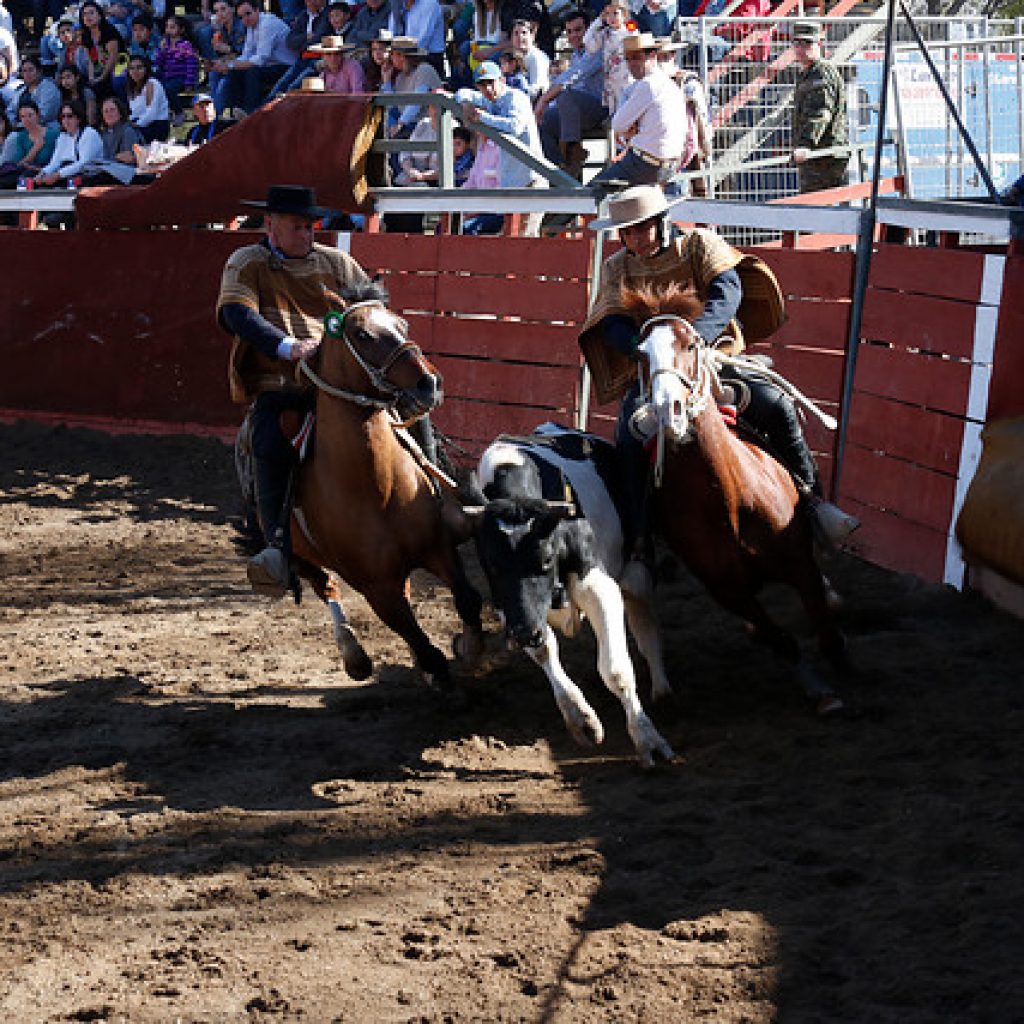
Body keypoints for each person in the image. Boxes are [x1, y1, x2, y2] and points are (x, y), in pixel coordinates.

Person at [578, 185, 859, 573]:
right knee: (628, 439)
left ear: (661, 223)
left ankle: (813, 506)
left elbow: (729, 290)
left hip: (715, 356)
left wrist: (698, 337)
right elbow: (611, 323)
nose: (635, 239)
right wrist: (644, 349)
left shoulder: (699, 244)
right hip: (658, 369)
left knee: (775, 405)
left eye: (642, 228)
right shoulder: (616, 268)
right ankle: (640, 541)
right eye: (627, 232)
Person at [215, 184, 374, 596]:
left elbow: (370, 306)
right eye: (298, 226)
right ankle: (279, 549)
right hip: (281, 381)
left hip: (339, 384)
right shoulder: (248, 263)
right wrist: (288, 347)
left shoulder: (337, 264)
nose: (307, 234)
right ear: (270, 224)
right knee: (269, 441)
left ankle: (437, 499)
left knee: (405, 410)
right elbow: (237, 313)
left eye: (310, 226)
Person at [455, 59, 546, 235]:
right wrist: (466, 102)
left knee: (525, 238)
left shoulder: (515, 97)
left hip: (530, 180)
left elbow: (515, 126)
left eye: (491, 82)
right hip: (512, 183)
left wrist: (482, 117)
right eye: (482, 84)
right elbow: (461, 93)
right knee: (513, 239)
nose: (488, 88)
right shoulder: (489, 100)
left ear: (502, 80)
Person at [590, 32, 686, 189]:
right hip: (667, 165)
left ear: (653, 56)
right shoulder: (669, 85)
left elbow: (618, 125)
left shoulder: (648, 84)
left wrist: (632, 129)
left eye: (637, 58)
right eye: (628, 58)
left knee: (589, 194)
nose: (631, 63)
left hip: (644, 164)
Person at [534, 8, 605, 180]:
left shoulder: (598, 50)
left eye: (579, 30)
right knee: (545, 120)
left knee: (565, 95)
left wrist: (544, 99)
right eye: (569, 31)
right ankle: (558, 170)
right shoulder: (576, 55)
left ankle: (573, 156)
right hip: (576, 111)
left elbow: (573, 76)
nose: (574, 35)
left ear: (589, 30)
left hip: (600, 108)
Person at [791, 21, 848, 194]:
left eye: (807, 43)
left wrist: (805, 144)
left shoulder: (822, 72)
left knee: (818, 210)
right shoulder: (807, 73)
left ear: (819, 45)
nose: (802, 48)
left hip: (825, 157)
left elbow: (821, 113)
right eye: (798, 43)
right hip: (816, 157)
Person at [221, 1, 292, 115]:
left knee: (252, 71)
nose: (245, 19)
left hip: (286, 66)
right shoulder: (252, 25)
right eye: (241, 17)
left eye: (248, 14)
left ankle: (251, 111)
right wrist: (228, 65)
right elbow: (247, 53)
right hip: (270, 65)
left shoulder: (267, 24)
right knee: (234, 72)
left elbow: (260, 59)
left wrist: (231, 65)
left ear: (257, 10)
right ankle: (235, 110)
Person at [380, 36, 441, 139]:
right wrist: (386, 81)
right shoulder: (400, 78)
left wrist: (400, 123)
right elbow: (392, 106)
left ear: (402, 57)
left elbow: (416, 101)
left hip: (425, 125)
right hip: (408, 125)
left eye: (392, 55)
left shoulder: (425, 70)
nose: (390, 58)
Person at [78, 93, 145, 184]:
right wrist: (115, 157)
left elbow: (128, 158)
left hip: (127, 173)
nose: (109, 114)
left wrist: (113, 158)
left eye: (112, 110)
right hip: (107, 169)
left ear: (120, 113)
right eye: (106, 111)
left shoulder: (128, 130)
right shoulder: (102, 133)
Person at [33, 98, 103, 184]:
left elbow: (84, 163)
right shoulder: (62, 136)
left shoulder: (89, 133)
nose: (66, 120)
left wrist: (58, 175)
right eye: (63, 116)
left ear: (79, 118)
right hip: (66, 172)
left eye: (69, 116)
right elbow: (55, 162)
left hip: (88, 175)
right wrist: (42, 174)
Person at [268, 0, 329, 99]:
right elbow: (290, 41)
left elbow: (318, 39)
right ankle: (259, 112)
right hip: (302, 58)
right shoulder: (303, 15)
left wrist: (302, 41)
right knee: (280, 85)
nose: (310, 2)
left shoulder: (327, 14)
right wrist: (306, 36)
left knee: (292, 89)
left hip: (318, 59)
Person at [582, 0, 633, 115]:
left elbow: (638, 39)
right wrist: (598, 21)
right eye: (607, 14)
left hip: (627, 80)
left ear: (624, 14)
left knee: (628, 113)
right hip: (611, 84)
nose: (611, 17)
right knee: (615, 115)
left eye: (615, 13)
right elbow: (587, 42)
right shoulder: (604, 33)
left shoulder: (630, 29)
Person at [0, 98, 58, 186]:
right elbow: (20, 163)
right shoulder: (21, 136)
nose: (27, 120)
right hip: (27, 172)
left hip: (47, 172)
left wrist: (40, 169)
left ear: (37, 115)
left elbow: (57, 161)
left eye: (30, 115)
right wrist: (35, 149)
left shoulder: (53, 135)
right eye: (23, 117)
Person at [154, 14, 200, 119]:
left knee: (168, 89)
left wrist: (189, 82)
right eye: (167, 27)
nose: (168, 30)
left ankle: (179, 112)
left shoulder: (186, 45)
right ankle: (163, 112)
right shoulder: (165, 44)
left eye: (172, 27)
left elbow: (191, 64)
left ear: (182, 29)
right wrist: (162, 51)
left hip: (180, 77)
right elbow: (159, 63)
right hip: (166, 76)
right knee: (155, 85)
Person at [79, 0, 123, 101]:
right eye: (84, 14)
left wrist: (102, 77)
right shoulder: (85, 35)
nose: (88, 17)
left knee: (116, 81)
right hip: (100, 66)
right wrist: (91, 78)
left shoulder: (109, 31)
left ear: (99, 15)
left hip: (120, 64)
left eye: (91, 13)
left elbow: (113, 58)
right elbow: (90, 60)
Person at [387, 0, 445, 77]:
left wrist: (402, 56)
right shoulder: (398, 5)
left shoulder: (430, 4)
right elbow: (391, 35)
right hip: (402, 54)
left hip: (428, 55)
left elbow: (424, 39)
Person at [5, 54, 61, 127]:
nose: (27, 74)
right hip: (20, 129)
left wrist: (20, 125)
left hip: (46, 129)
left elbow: (45, 115)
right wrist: (13, 124)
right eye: (24, 71)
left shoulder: (50, 89)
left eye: (31, 70)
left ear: (39, 71)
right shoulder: (21, 90)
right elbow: (10, 111)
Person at [124, 54, 170, 141]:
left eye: (139, 68)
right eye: (132, 68)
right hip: (140, 123)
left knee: (129, 135)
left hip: (156, 126)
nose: (135, 71)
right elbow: (135, 113)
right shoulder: (131, 87)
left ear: (146, 69)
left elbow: (151, 113)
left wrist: (136, 125)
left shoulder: (152, 84)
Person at [507, 17, 546, 100]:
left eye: (524, 33)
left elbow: (538, 89)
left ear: (532, 36)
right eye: (516, 33)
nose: (520, 36)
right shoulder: (513, 56)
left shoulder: (536, 57)